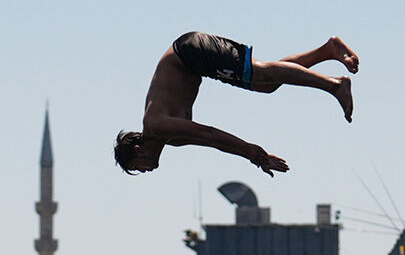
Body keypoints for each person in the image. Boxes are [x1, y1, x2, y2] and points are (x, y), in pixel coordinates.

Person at [114, 32, 359, 176]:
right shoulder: (172, 139)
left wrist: (252, 153)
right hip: (195, 62)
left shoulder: (156, 125)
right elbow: (214, 142)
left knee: (261, 73)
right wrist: (255, 155)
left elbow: (209, 133)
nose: (145, 171)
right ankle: (328, 50)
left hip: (189, 53)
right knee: (266, 83)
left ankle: (335, 85)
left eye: (138, 167)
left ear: (138, 150)